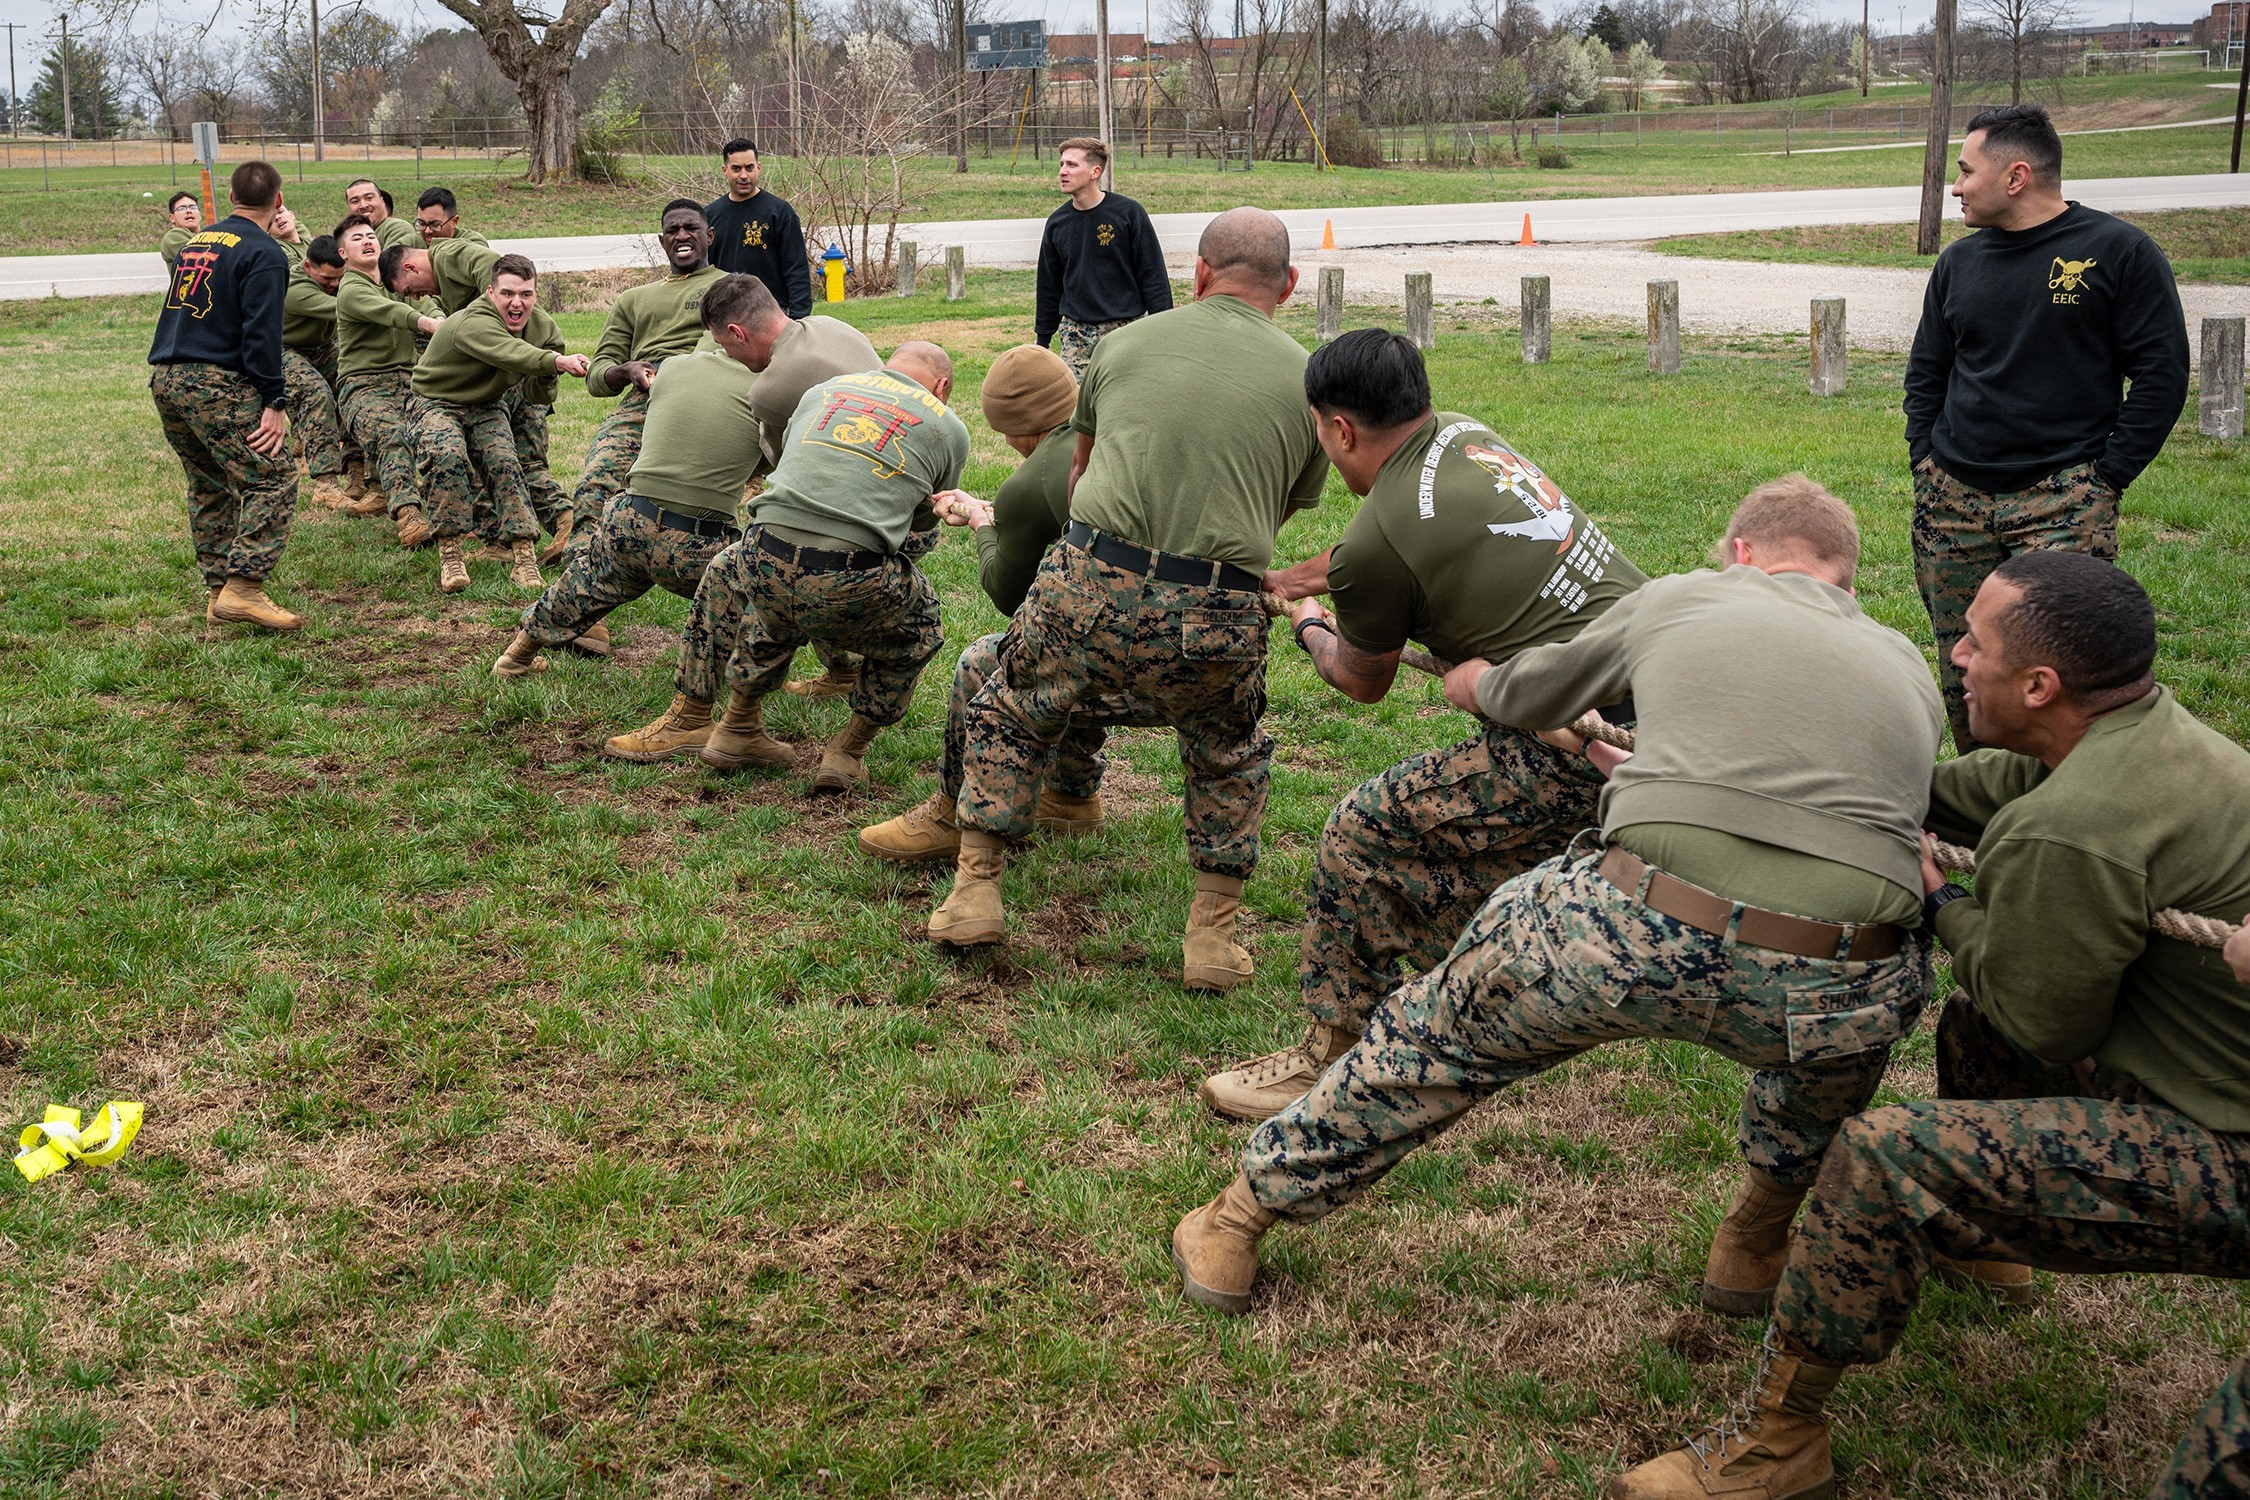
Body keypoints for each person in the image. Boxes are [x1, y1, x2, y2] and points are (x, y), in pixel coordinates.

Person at [1169, 477, 1944, 1327]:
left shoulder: (1684, 599)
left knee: (1432, 1036)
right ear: (1848, 581)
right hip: (1844, 976)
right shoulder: (1908, 664)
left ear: (1742, 556)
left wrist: (1477, 685)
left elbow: (1534, 691)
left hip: (1636, 926)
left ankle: (1235, 1224)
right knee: (1831, 1065)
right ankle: (1753, 1245)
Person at [1609, 552, 2250, 1500]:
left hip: (2231, 1152)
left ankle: (1778, 1444)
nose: (1953, 653)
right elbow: (1943, 793)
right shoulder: (2139, 739)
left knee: (1886, 1155)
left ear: (2039, 685)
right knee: (1970, 1036)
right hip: (2214, 1079)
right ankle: (1985, 1241)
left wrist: (1943, 898)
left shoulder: (2074, 825)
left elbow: (2037, 1014)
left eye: (1974, 643)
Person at [1198, 329, 1648, 1117]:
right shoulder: (1463, 436)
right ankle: (1474, 961)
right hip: (1662, 672)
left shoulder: (1382, 542)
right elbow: (1378, 543)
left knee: (1363, 833)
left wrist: (1308, 620)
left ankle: (1331, 1057)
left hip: (1587, 742)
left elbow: (1360, 678)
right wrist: (1305, 574)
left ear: (1339, 429)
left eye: (1320, 433)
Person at [930, 207, 1327, 989]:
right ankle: (1211, 939)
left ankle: (975, 890)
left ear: (1199, 275)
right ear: (1290, 284)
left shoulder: (1117, 345)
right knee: (1227, 749)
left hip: (1087, 585)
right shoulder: (1311, 381)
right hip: (1215, 611)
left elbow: (1079, 478)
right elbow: (1274, 515)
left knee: (1011, 700)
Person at [1904, 102, 2188, 753]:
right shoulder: (1959, 263)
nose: (1955, 186)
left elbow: (2162, 375)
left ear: (2016, 177)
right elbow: (1927, 374)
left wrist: (2104, 481)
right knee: (1968, 672)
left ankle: (2077, 810)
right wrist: (1927, 461)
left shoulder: (2118, 252)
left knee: (2067, 678)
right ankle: (1987, 815)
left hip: (2063, 504)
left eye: (1966, 170)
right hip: (1954, 506)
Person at [612, 344, 969, 793]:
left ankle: (736, 723)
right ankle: (847, 751)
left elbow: (787, 460)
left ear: (882, 372)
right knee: (921, 626)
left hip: (759, 548)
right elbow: (919, 521)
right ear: (942, 388)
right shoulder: (948, 425)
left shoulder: (825, 391)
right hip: (847, 575)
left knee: (774, 595)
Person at [858, 343, 1159, 861]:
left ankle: (952, 812)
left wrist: (980, 524)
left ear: (1017, 427)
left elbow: (1008, 592)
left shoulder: (1033, 477)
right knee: (1083, 627)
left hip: (1131, 669)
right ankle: (1070, 796)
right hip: (1193, 643)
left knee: (992, 659)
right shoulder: (1122, 437)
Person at [599, 277, 884, 761]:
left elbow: (775, 464)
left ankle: (695, 719)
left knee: (738, 572)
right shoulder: (835, 328)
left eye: (721, 345)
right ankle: (842, 672)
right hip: (897, 505)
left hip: (855, 525)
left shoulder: (771, 388)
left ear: (737, 333)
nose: (725, 356)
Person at [491, 276, 782, 680]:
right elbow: (769, 461)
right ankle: (705, 705)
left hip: (628, 519)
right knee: (769, 596)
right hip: (697, 540)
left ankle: (516, 655)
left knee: (586, 581)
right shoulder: (766, 393)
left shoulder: (673, 371)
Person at [148, 160, 301, 633]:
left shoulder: (200, 240)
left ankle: (218, 593)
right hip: (210, 381)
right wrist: (274, 402)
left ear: (231, 197)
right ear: (277, 201)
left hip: (167, 378)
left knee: (210, 482)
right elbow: (262, 334)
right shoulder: (266, 252)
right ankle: (244, 587)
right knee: (273, 476)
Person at [409, 254, 589, 595]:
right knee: (446, 454)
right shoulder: (473, 321)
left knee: (506, 462)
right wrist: (555, 361)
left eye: (525, 294)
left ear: (536, 294)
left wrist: (551, 371)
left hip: (487, 404)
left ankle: (523, 557)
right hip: (436, 401)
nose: (516, 303)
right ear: (491, 293)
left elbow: (537, 392)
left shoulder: (545, 329)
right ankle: (450, 553)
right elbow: (509, 353)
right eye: (507, 293)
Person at [383, 237, 574, 556]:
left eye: (410, 290)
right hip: (502, 374)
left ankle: (568, 526)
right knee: (485, 456)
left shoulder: (454, 255)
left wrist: (524, 340)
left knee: (518, 460)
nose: (418, 296)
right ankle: (503, 536)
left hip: (517, 370)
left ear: (410, 267)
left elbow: (505, 280)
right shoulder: (450, 287)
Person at [567, 201, 727, 562]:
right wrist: (627, 371)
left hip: (708, 396)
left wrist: (682, 370)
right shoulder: (633, 299)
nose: (682, 236)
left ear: (709, 236)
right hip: (646, 398)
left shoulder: (728, 286)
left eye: (691, 228)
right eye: (673, 230)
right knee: (598, 481)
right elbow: (597, 375)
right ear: (661, 240)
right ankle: (579, 573)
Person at [334, 213, 442, 544]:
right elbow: (391, 313)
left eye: (371, 236)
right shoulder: (351, 289)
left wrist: (441, 320)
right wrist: (427, 323)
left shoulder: (396, 280)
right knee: (390, 433)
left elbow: (431, 304)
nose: (367, 241)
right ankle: (410, 518)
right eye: (357, 238)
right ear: (342, 254)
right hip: (362, 386)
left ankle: (444, 507)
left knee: (441, 431)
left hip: (408, 381)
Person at [1034, 137, 1172, 379]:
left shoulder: (1128, 214)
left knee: (1123, 401)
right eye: (1061, 165)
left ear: (1095, 171)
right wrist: (1042, 341)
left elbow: (1153, 277)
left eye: (1071, 165)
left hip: (1124, 331)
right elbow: (1048, 287)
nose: (1063, 172)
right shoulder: (1057, 223)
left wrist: (1165, 333)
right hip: (1075, 336)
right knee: (1077, 407)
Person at [280, 232, 354, 512]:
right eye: (327, 280)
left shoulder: (338, 277)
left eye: (339, 278)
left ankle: (358, 472)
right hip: (282, 350)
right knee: (316, 394)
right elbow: (348, 309)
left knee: (354, 384)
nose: (334, 285)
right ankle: (326, 486)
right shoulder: (294, 288)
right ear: (309, 266)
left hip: (321, 346)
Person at [704, 139, 812, 319]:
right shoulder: (709, 215)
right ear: (725, 171)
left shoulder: (779, 212)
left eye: (749, 167)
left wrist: (799, 317)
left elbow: (796, 268)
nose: (744, 175)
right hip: (725, 314)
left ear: (759, 168)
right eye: (736, 168)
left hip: (772, 313)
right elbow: (705, 271)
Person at [345, 178, 417, 250]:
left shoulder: (396, 228)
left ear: (382, 201)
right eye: (355, 201)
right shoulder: (347, 234)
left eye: (369, 198)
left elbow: (392, 260)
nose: (363, 205)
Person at [412, 186, 487, 246]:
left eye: (434, 225)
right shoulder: (413, 243)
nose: (427, 231)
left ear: (454, 221)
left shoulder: (475, 243)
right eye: (421, 224)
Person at [157, 190, 201, 265]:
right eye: (182, 208)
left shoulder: (206, 234)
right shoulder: (173, 236)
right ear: (172, 218)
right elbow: (201, 256)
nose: (188, 211)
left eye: (193, 207)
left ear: (199, 214)